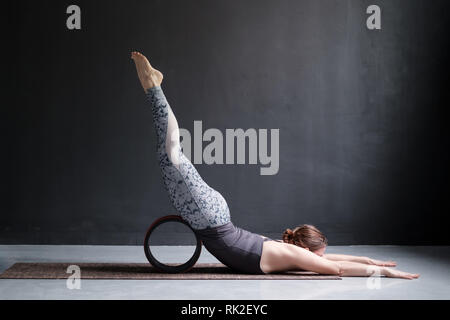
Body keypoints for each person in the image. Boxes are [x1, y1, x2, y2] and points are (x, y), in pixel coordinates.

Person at [131, 51, 420, 279]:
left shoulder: (294, 251)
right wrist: (383, 271)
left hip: (214, 218)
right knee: (172, 153)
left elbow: (331, 261)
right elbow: (338, 269)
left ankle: (155, 89)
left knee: (168, 154)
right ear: (307, 249)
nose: (322, 258)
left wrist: (371, 261)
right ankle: (154, 87)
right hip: (211, 219)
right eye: (319, 253)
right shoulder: (296, 255)